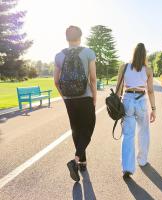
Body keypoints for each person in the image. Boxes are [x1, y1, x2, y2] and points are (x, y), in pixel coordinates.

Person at [54, 26, 97, 181]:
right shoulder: (88, 52)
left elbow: (56, 82)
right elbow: (93, 79)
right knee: (88, 128)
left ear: (66, 38)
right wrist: (94, 97)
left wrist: (65, 97)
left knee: (76, 130)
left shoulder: (59, 56)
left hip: (69, 99)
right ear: (80, 37)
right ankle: (76, 161)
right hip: (85, 97)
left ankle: (83, 162)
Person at [116, 43, 156, 178]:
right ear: (144, 55)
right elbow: (150, 91)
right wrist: (154, 109)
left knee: (128, 134)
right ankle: (142, 160)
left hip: (127, 100)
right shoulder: (148, 70)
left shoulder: (124, 67)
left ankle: (127, 167)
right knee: (143, 131)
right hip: (141, 101)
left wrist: (116, 106)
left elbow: (118, 89)